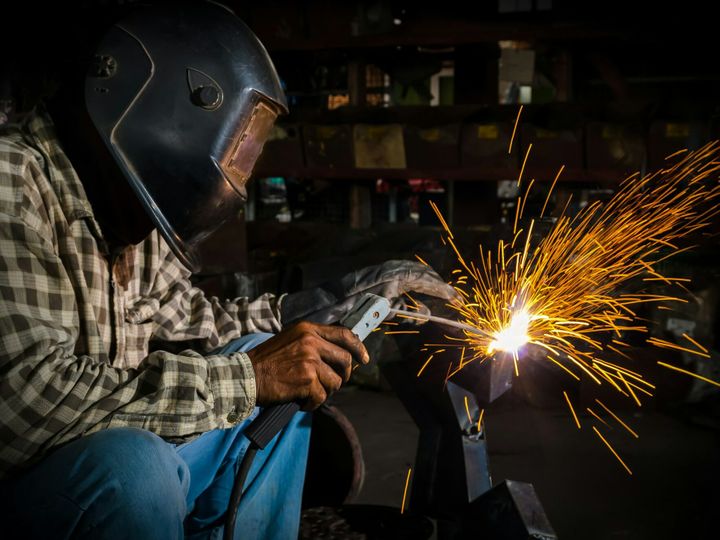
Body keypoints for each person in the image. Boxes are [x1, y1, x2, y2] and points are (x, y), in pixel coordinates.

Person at [0, 2, 455, 539]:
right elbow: (23, 407)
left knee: (281, 379)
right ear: (167, 105)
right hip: (27, 484)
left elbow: (196, 319)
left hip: (92, 460)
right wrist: (249, 377)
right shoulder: (13, 180)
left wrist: (327, 308)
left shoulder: (128, 211)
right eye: (240, 143)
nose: (239, 168)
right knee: (134, 467)